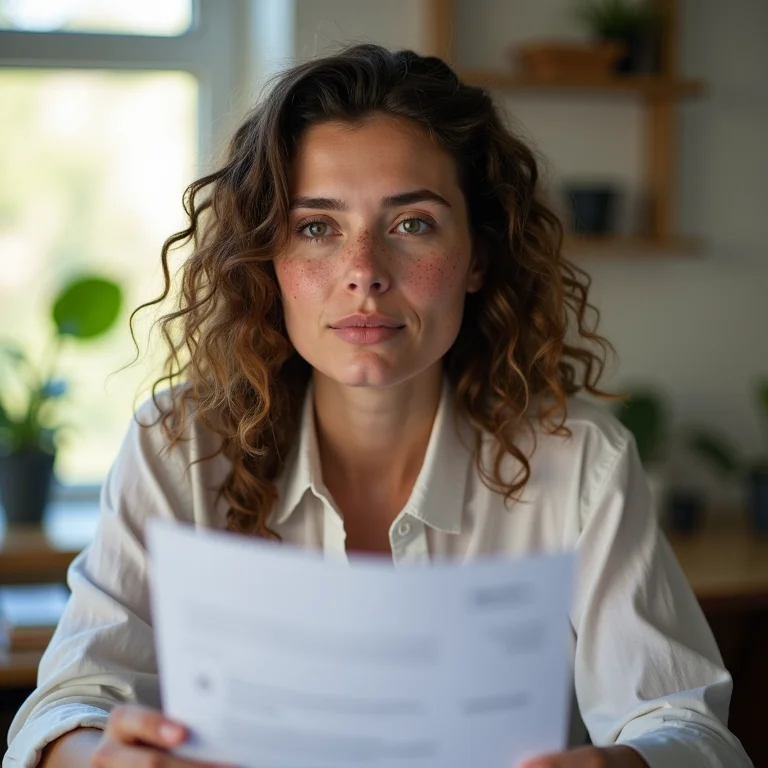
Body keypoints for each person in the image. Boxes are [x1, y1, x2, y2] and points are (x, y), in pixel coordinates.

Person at [4, 44, 752, 768]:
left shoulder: (581, 460)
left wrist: (624, 765)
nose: (363, 273)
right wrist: (101, 757)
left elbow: (689, 728)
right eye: (317, 228)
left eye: (412, 224)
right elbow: (68, 703)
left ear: (478, 256)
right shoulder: (179, 446)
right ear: (269, 259)